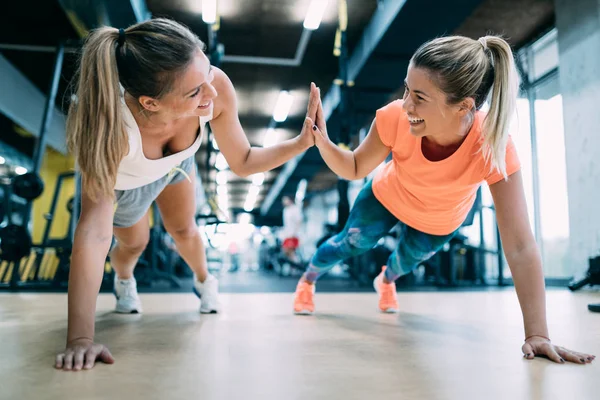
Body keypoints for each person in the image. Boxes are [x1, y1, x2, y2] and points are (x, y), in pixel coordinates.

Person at [293, 35, 596, 365]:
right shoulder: (394, 117)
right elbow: (353, 166)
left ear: (464, 106)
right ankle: (307, 280)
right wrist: (322, 143)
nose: (406, 104)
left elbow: (520, 245)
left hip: (440, 218)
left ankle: (386, 281)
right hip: (387, 196)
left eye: (420, 97)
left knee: (402, 264)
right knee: (351, 243)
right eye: (407, 89)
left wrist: (537, 333)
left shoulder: (493, 146)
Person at [55, 18, 317, 371]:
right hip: (126, 180)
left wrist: (301, 143)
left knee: (185, 231)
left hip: (176, 164)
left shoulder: (214, 86)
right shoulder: (108, 128)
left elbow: (243, 161)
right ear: (150, 103)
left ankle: (206, 281)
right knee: (134, 243)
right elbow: (93, 231)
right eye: (194, 93)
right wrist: (80, 339)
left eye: (207, 72)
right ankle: (125, 280)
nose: (211, 94)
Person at [281, 195, 303, 264]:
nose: (284, 202)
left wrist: (294, 232)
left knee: (290, 250)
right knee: (286, 251)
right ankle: (293, 265)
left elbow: (299, 221)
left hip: (294, 234)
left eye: (285, 200)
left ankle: (296, 264)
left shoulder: (295, 209)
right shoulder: (285, 210)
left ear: (290, 200)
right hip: (287, 234)